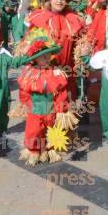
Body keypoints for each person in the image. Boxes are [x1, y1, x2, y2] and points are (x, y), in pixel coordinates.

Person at [16, 30, 74, 165]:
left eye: (48, 56)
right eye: (43, 57)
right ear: (35, 58)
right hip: (35, 109)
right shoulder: (29, 74)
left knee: (52, 129)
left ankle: (50, 150)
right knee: (33, 131)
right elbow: (24, 91)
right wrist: (26, 104)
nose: (47, 58)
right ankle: (34, 151)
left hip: (51, 109)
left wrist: (61, 109)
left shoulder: (56, 73)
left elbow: (61, 94)